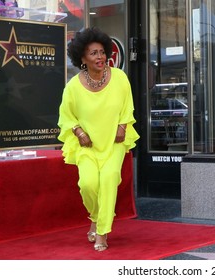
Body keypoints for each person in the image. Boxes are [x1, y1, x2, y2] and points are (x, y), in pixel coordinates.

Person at [57, 27, 139, 252]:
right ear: (82, 57)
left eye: (102, 52)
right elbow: (66, 116)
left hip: (114, 142)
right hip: (88, 146)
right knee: (88, 184)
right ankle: (95, 216)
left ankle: (102, 232)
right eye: (93, 53)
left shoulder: (120, 78)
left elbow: (127, 106)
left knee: (109, 180)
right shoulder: (73, 86)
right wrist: (79, 133)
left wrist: (122, 126)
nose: (100, 57)